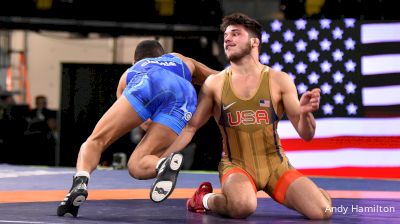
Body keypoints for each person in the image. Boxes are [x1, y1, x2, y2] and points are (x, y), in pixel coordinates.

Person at [165, 13, 333, 220]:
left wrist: (306, 114)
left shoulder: (280, 80)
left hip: (276, 167)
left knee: (322, 213)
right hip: (236, 167)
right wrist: (162, 157)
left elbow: (306, 134)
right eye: (226, 35)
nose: (228, 39)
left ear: (254, 42)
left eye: (236, 34)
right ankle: (204, 199)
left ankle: (317, 198)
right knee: (243, 207)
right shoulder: (214, 84)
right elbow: (191, 128)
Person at [57, 40, 219, 217]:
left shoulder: (130, 73)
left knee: (97, 140)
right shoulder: (181, 59)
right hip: (185, 94)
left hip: (148, 80)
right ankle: (161, 164)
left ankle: (81, 180)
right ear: (163, 55)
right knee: (137, 165)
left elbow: (143, 122)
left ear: (135, 61)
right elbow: (220, 78)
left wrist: (148, 119)